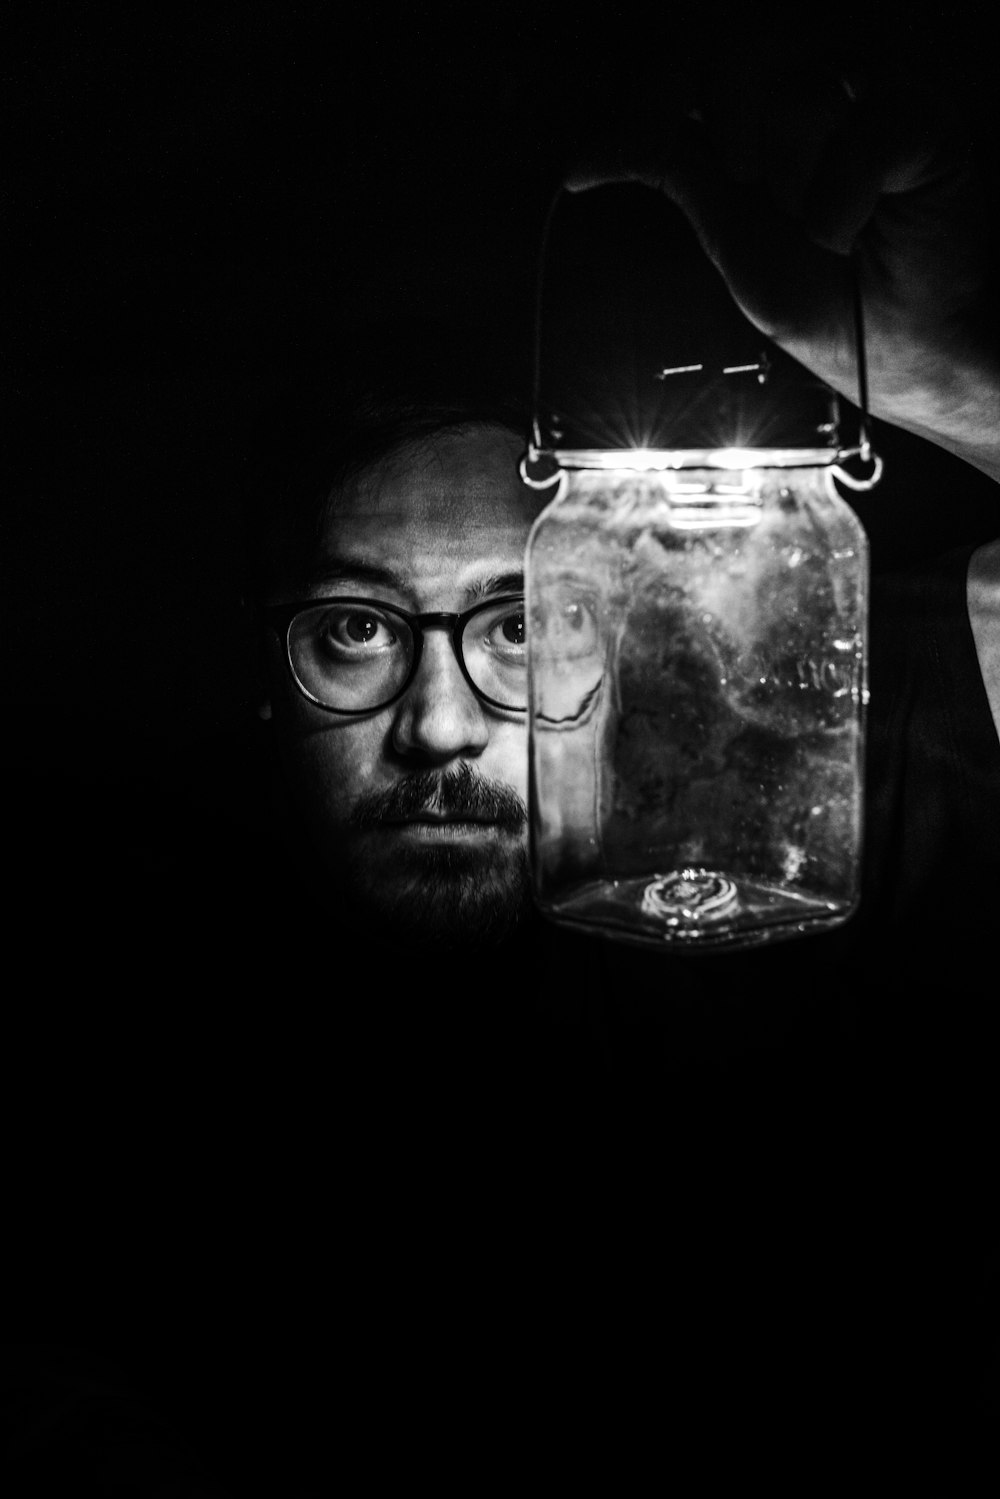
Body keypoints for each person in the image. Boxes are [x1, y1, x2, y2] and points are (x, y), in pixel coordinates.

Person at [5, 20, 998, 1494]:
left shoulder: (853, 789)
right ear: (257, 664)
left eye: (524, 626)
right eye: (355, 630)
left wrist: (970, 387)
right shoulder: (96, 985)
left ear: (638, 633)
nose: (443, 724)